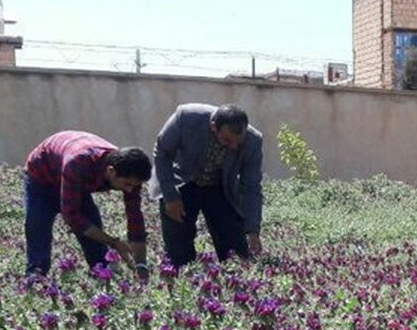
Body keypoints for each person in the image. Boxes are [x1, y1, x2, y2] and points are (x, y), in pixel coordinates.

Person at [23, 131, 151, 277]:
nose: (130, 189)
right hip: (42, 177)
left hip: (74, 178)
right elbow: (72, 217)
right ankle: (35, 278)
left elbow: (135, 218)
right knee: (38, 227)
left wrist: (141, 265)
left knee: (93, 232)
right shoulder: (78, 163)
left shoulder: (131, 175)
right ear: (111, 171)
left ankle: (102, 274)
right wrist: (114, 242)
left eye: (134, 186)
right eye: (127, 184)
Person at [151, 103, 264, 268]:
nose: (233, 146)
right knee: (178, 247)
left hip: (220, 187)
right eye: (227, 140)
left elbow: (251, 187)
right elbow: (162, 153)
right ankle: (182, 279)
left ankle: (235, 281)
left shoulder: (253, 141)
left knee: (236, 249)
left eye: (238, 142)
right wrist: (170, 196)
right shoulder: (186, 117)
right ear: (213, 127)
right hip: (183, 181)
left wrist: (252, 230)